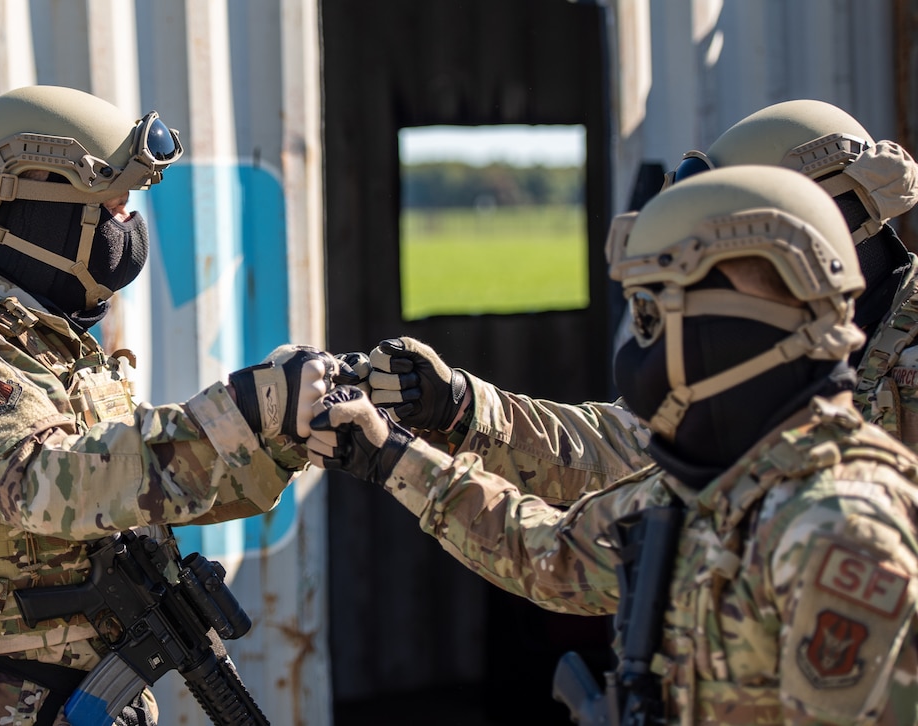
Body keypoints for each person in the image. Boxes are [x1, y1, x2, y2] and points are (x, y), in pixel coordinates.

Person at [308, 165, 918, 723]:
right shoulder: (709, 485)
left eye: (653, 318)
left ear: (734, 330)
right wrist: (389, 454)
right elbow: (552, 558)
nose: (637, 352)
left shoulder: (843, 526)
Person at [0, 85, 347, 726]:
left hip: (91, 697)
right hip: (4, 701)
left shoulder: (57, 345)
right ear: (37, 211)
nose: (128, 229)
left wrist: (281, 434)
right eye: (111, 208)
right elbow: (41, 482)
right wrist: (235, 416)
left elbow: (142, 490)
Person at [360, 99, 918, 512]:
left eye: (744, 235)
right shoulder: (752, 343)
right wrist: (459, 405)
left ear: (821, 222)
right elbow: (620, 450)